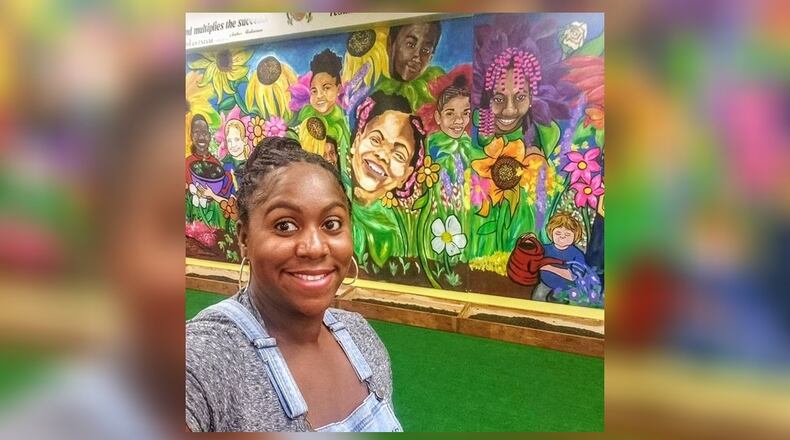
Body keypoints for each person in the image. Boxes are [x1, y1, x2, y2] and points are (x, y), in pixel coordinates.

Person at [185, 137, 402, 432]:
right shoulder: (210, 356)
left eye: (331, 224)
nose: (314, 247)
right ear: (244, 238)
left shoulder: (361, 338)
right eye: (285, 225)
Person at [350, 90, 424, 206]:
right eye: (375, 140)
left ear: (406, 175)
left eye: (399, 155)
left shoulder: (396, 223)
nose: (383, 155)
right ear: (356, 142)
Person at [535, 212, 587, 302]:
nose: (562, 237)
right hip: (545, 284)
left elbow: (574, 276)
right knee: (537, 298)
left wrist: (548, 267)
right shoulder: (544, 249)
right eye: (558, 233)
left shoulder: (577, 254)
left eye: (567, 235)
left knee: (558, 302)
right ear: (551, 233)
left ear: (575, 236)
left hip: (565, 288)